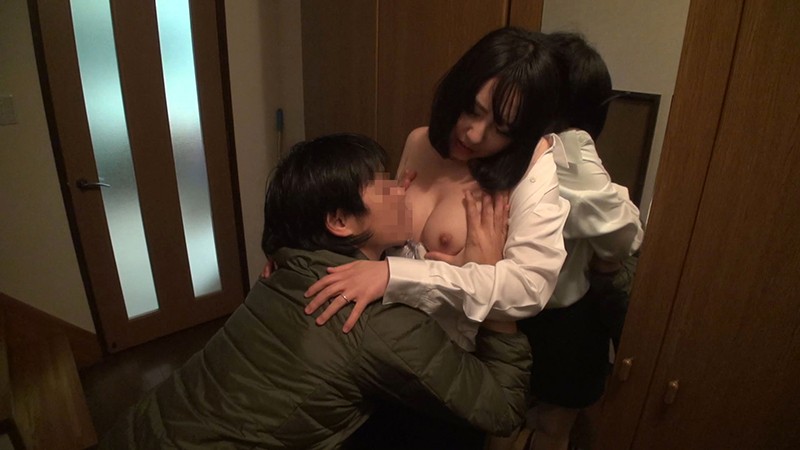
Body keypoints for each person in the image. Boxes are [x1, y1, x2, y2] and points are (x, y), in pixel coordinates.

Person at [99, 133, 533, 450]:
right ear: (340, 222)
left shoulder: (287, 267)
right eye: (384, 183)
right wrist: (494, 288)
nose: (406, 185)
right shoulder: (374, 318)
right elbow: (502, 408)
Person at [301, 26, 569, 449]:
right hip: (380, 351)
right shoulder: (420, 141)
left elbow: (530, 289)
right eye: (471, 109)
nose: (473, 134)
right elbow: (375, 231)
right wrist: (299, 251)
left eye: (500, 128)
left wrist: (397, 275)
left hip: (449, 376)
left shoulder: (530, 171)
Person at [518, 33, 644, 450]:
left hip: (533, 315)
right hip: (561, 319)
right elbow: (623, 235)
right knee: (551, 426)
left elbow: (616, 230)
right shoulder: (568, 146)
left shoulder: (529, 140)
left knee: (517, 418)